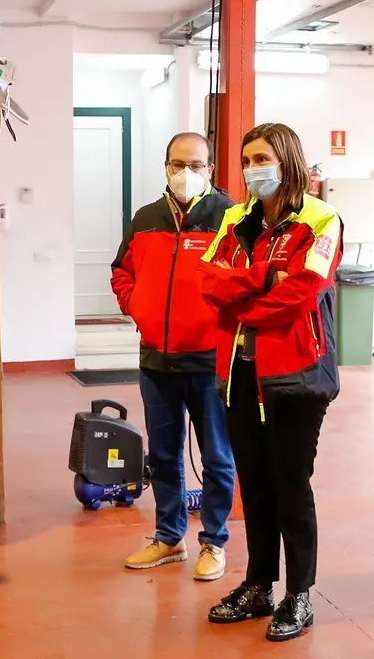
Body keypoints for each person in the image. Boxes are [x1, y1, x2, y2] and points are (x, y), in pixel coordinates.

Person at [199, 122, 343, 642]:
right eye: (246, 159)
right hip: (239, 370)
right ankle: (259, 585)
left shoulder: (322, 219)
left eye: (261, 157)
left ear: (286, 159)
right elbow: (208, 281)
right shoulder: (236, 218)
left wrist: (246, 304)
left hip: (297, 375)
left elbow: (304, 292)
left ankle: (298, 595)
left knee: (290, 485)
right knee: (254, 484)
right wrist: (261, 280)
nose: (252, 168)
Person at [112, 132, 236, 581]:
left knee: (218, 458)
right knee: (163, 456)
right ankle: (169, 538)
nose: (187, 173)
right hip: (156, 361)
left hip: (209, 363)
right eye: (178, 164)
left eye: (197, 164)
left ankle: (214, 543)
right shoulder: (146, 219)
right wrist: (139, 308)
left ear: (210, 169)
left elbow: (242, 282)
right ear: (165, 166)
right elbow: (121, 271)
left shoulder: (230, 218)